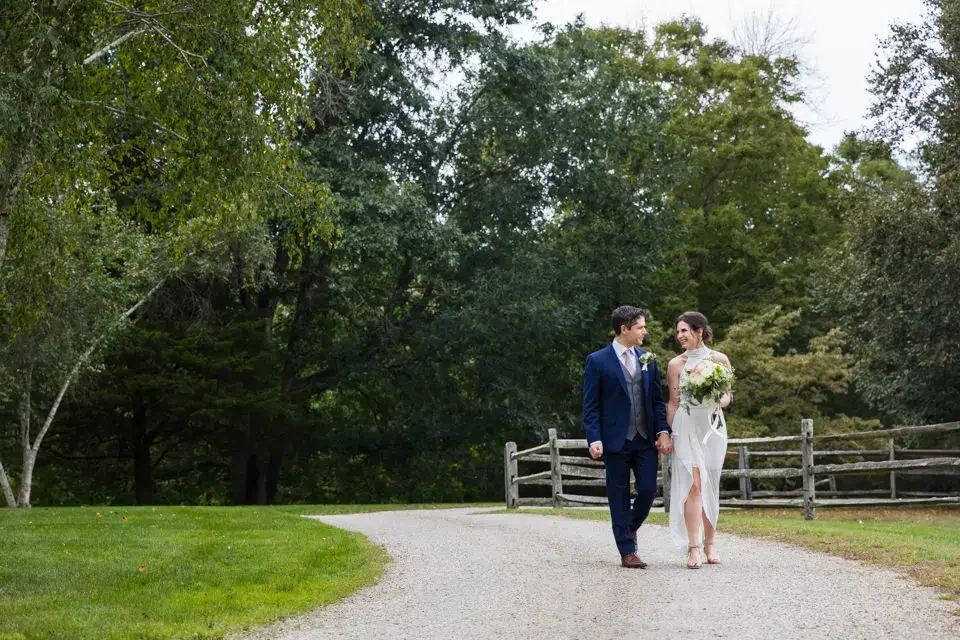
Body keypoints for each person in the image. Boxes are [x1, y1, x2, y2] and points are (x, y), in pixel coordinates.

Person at [583, 305, 673, 568]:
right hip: (614, 440)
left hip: (644, 438)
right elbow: (591, 404)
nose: (645, 331)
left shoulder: (648, 359)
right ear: (624, 329)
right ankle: (627, 551)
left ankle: (629, 528)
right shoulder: (597, 360)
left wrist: (662, 431)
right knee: (618, 495)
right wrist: (594, 437)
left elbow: (657, 401)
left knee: (648, 489)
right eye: (640, 327)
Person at [666, 311, 733, 569]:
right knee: (693, 485)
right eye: (678, 331)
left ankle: (710, 543)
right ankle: (693, 547)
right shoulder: (675, 365)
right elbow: (673, 403)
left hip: (712, 427)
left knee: (710, 484)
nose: (679, 336)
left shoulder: (719, 359)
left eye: (684, 330)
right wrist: (668, 434)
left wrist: (720, 400)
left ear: (700, 331)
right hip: (686, 426)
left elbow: (727, 396)